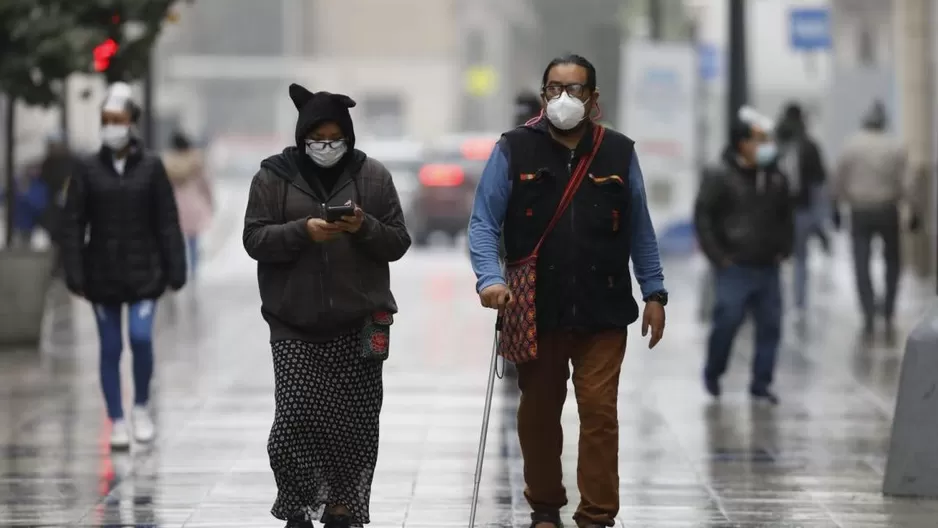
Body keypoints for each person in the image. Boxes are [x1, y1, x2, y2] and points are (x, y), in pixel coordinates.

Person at [469, 54, 667, 528]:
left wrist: (655, 293)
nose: (564, 98)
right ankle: (544, 506)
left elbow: (640, 228)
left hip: (605, 309)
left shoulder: (618, 152)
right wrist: (490, 279)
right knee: (538, 416)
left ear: (593, 99)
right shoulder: (513, 149)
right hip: (535, 309)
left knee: (599, 414)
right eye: (554, 88)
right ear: (542, 95)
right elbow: (482, 223)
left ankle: (597, 515)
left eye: (575, 89)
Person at [242, 83, 411, 528]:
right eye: (318, 140)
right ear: (302, 139)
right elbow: (255, 238)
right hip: (293, 321)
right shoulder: (273, 177)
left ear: (349, 139)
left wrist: (363, 226)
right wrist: (303, 231)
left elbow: (398, 241)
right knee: (296, 420)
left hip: (360, 319)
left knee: (353, 427)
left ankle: (341, 507)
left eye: (335, 139)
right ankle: (298, 504)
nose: (326, 147)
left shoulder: (373, 177)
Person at [61, 82, 187, 449]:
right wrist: (74, 272)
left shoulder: (151, 167)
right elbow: (72, 223)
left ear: (132, 121)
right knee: (111, 348)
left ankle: (142, 407)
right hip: (101, 275)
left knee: (141, 338)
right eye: (106, 119)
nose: (112, 125)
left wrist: (175, 268)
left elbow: (167, 219)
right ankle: (116, 419)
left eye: (119, 118)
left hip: (144, 273)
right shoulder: (86, 167)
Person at [694, 120, 793, 405]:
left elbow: (786, 216)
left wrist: (784, 248)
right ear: (742, 144)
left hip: (767, 265)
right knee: (727, 321)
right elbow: (704, 217)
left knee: (770, 326)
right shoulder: (720, 175)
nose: (765, 147)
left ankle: (761, 384)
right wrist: (718, 256)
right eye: (758, 140)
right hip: (734, 266)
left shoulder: (775, 178)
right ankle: (714, 371)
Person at [831, 100, 919, 338]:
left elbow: (838, 178)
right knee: (893, 261)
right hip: (887, 209)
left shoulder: (851, 145)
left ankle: (868, 310)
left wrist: (836, 206)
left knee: (861, 261)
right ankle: (888, 308)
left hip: (860, 210)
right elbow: (908, 182)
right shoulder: (896, 146)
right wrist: (913, 210)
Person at [775, 102, 830, 314]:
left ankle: (775, 301)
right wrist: (821, 220)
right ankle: (799, 302)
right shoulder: (809, 145)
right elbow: (819, 183)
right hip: (802, 209)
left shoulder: (775, 143)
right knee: (800, 259)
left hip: (774, 211)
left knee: (772, 259)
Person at [163, 129, 213, 280]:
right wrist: (211, 202)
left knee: (176, 242)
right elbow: (205, 185)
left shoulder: (168, 163)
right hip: (193, 206)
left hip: (174, 206)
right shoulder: (196, 162)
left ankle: (177, 269)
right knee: (193, 243)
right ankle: (193, 272)